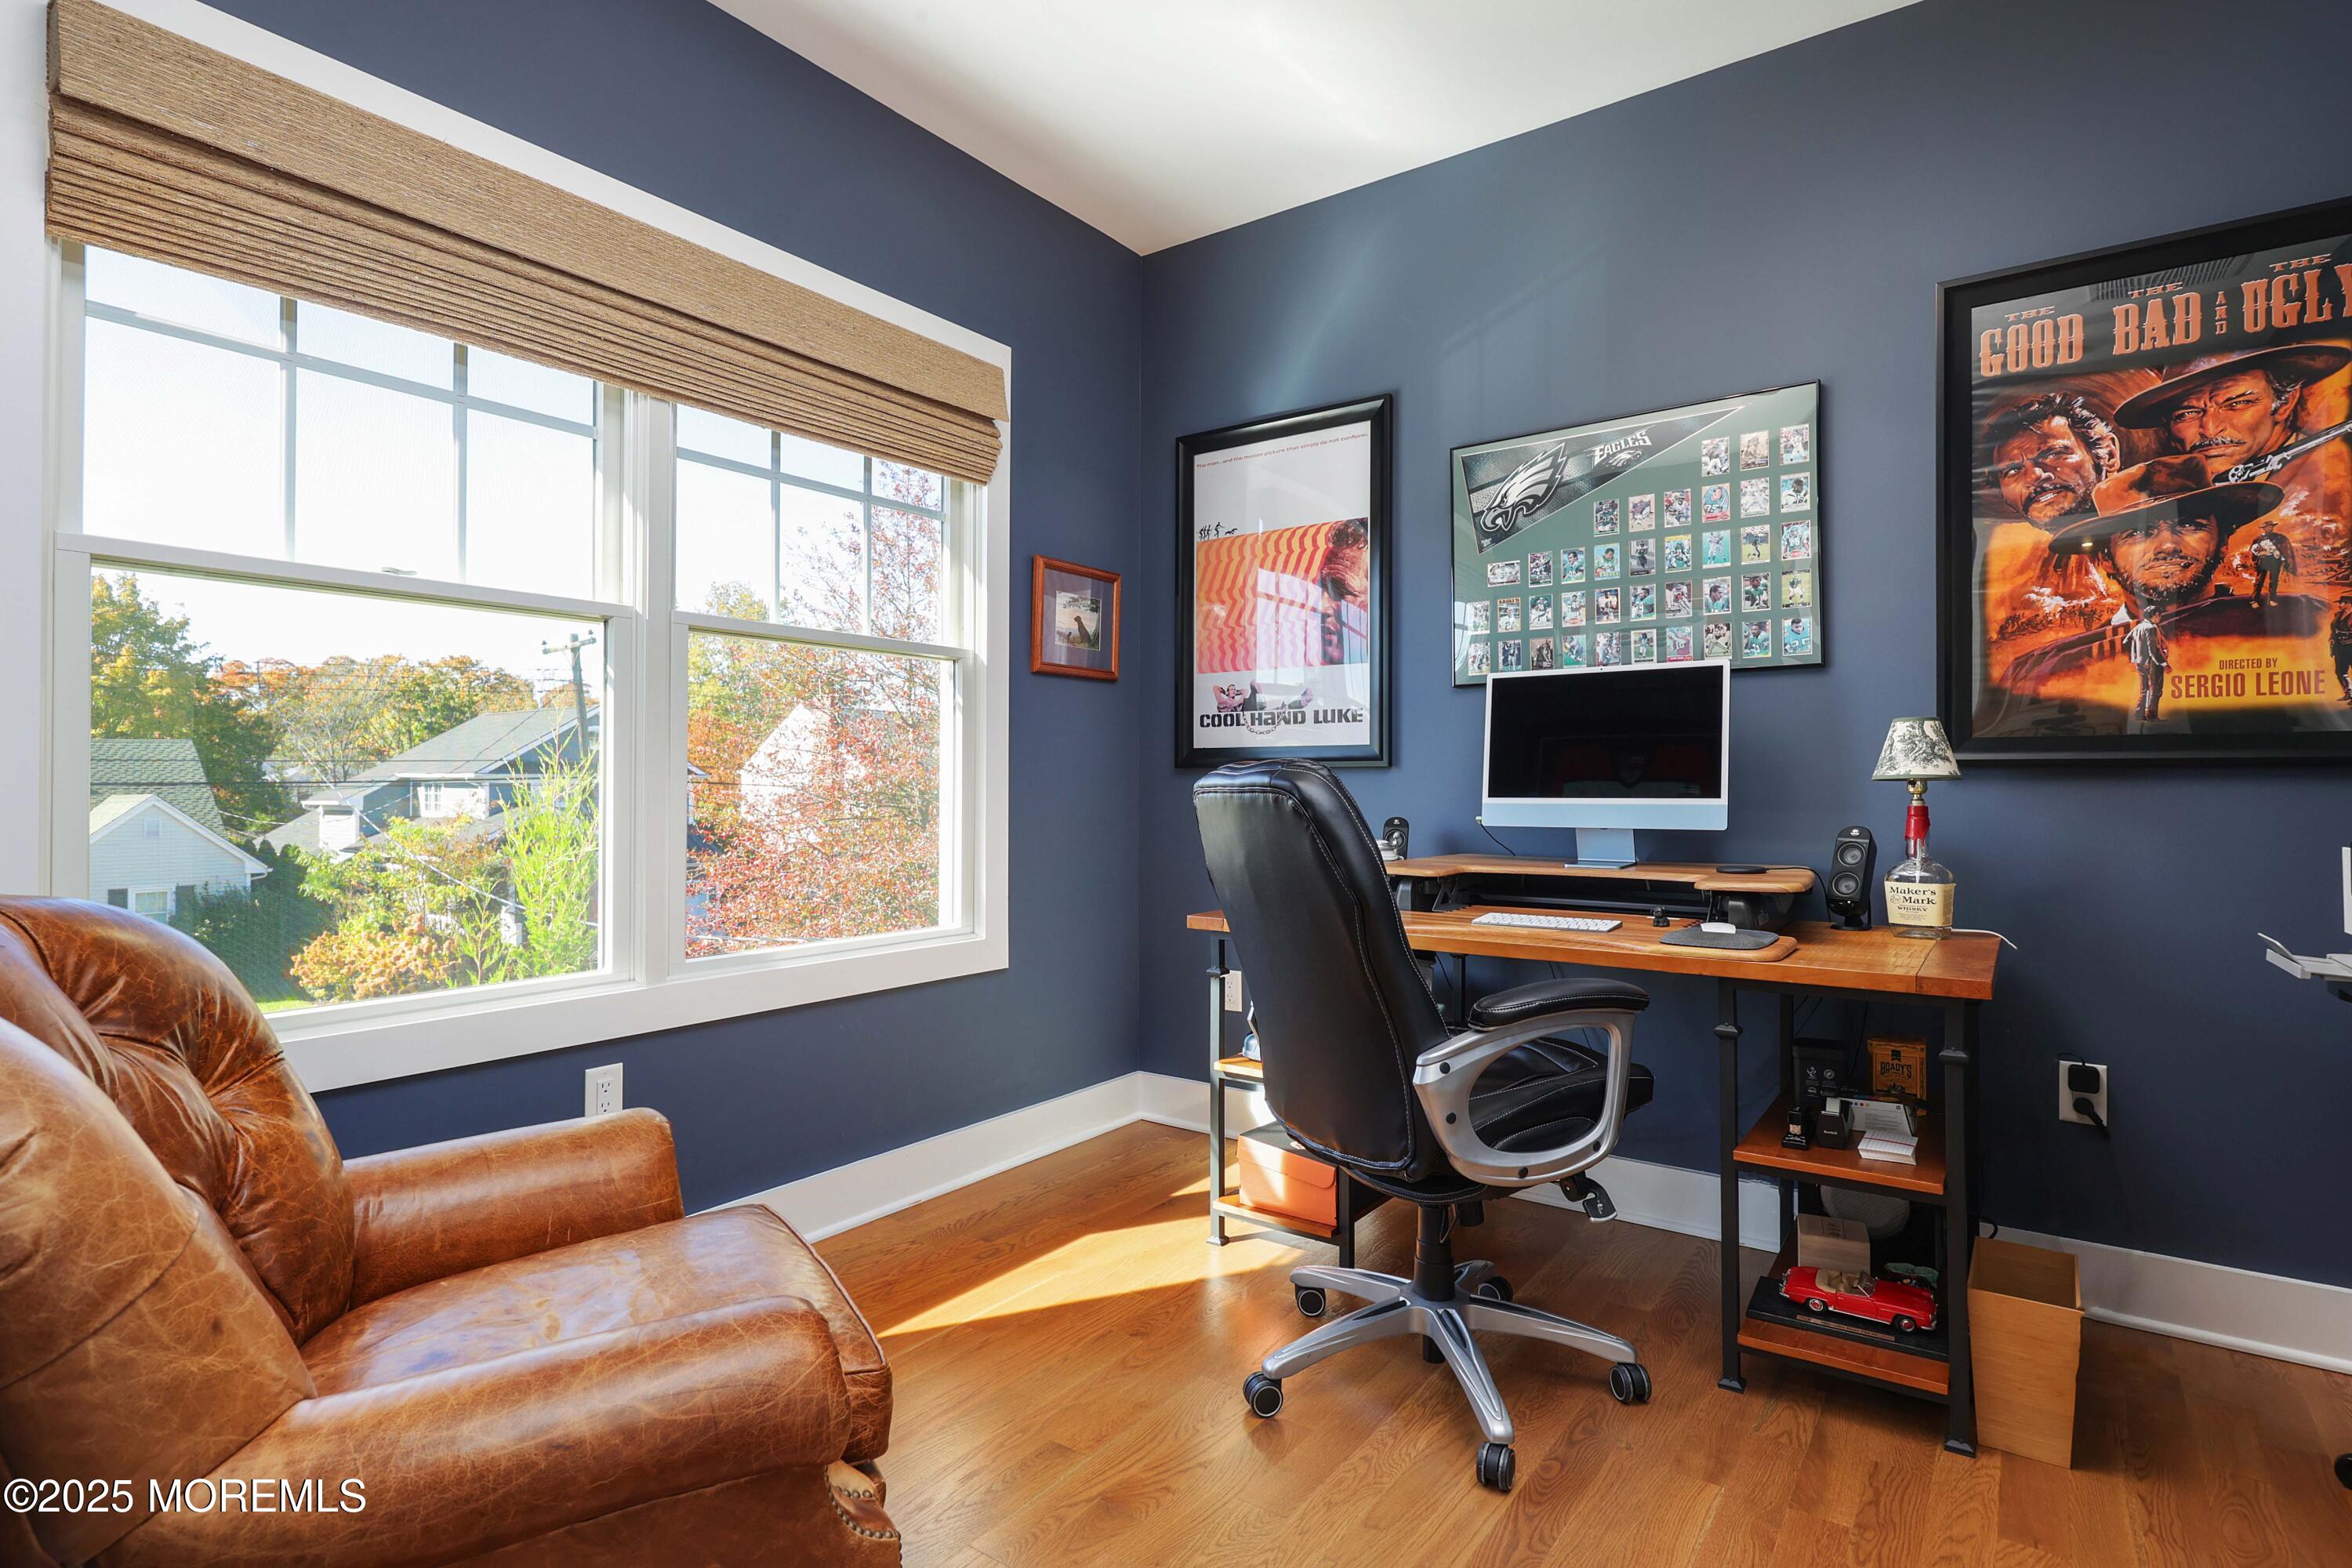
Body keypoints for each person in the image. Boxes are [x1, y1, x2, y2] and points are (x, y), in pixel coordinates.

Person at [2125, 612, 2167, 721]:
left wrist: (2135, 655)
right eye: (2159, 616)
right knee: (2155, 690)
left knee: (2145, 689)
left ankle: (2139, 714)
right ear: (2155, 615)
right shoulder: (2152, 628)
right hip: (2152, 662)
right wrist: (2164, 664)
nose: (2160, 618)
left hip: (2139, 662)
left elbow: (2126, 642)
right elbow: (2154, 649)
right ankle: (2152, 716)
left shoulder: (2138, 627)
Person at [2246, 519, 2297, 607]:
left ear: (2273, 527)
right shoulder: (2259, 539)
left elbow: (2283, 548)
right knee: (2259, 580)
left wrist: (2283, 559)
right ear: (2264, 528)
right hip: (2263, 560)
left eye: (2270, 527)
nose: (2269, 528)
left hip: (2275, 559)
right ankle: (2255, 601)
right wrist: (2259, 551)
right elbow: (2253, 549)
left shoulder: (2279, 538)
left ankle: (2272, 599)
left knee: (2274, 581)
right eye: (2267, 527)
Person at [2334, 592, 2352, 703]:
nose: (2339, 605)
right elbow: (2334, 629)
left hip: (2351, 646)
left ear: (2349, 604)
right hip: (2339, 647)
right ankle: (2349, 693)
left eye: (2342, 603)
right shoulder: (2338, 615)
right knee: (2340, 671)